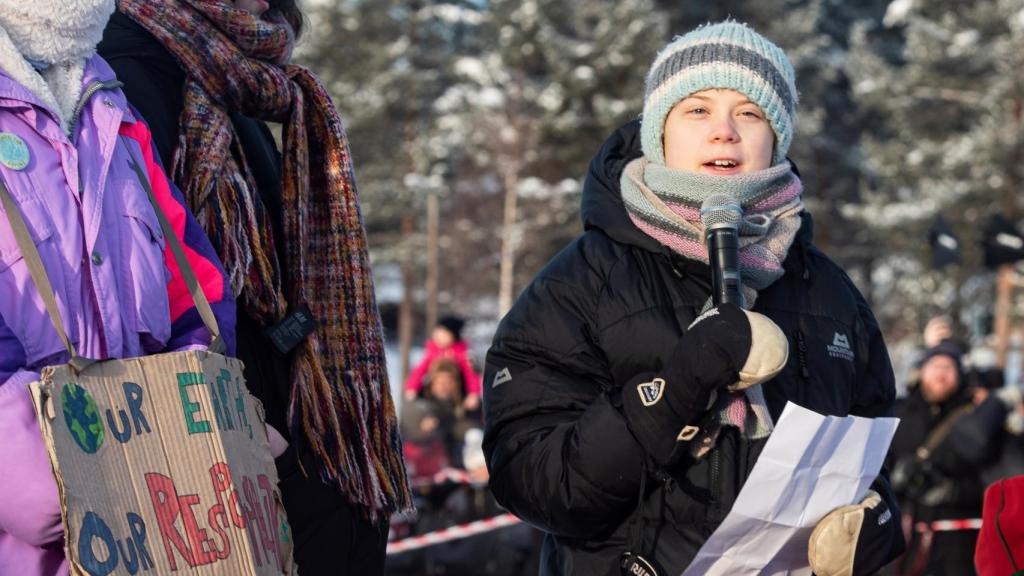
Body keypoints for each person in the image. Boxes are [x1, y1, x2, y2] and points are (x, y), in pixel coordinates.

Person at [482, 21, 904, 575]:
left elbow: (868, 459)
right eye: (697, 109)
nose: (724, 131)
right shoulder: (580, 282)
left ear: (776, 136)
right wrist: (675, 392)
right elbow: (535, 484)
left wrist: (876, 526)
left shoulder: (830, 293)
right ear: (660, 131)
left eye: (750, 112)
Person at [97, 1, 412, 573]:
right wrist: (267, 446)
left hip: (298, 444)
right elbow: (138, 304)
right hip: (225, 467)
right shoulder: (123, 79)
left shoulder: (232, 88)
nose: (265, 2)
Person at [0, 1, 235, 573]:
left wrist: (194, 419)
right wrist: (29, 457)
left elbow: (192, 286)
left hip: (149, 522)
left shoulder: (110, 103)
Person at [889, 340, 984, 575]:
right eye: (935, 365)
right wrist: (892, 480)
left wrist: (954, 491)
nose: (941, 374)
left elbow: (995, 481)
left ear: (960, 376)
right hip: (901, 546)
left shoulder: (976, 418)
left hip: (956, 550)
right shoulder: (897, 412)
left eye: (948, 368)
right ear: (921, 371)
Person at [405, 315, 483, 413]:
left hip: (458, 391)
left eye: (443, 334)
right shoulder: (432, 349)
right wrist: (412, 387)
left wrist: (473, 394)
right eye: (437, 333)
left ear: (453, 337)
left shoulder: (462, 352)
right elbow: (420, 370)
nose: (438, 337)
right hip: (434, 392)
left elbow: (471, 374)